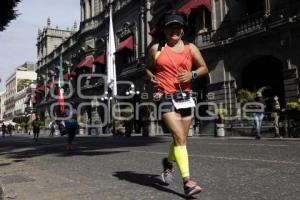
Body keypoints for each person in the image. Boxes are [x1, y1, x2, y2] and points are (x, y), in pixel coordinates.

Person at [146, 11, 208, 197]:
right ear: (164, 30)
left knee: (181, 139)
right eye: (170, 26)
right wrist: (152, 79)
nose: (174, 29)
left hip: (186, 97)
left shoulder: (191, 48)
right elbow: (148, 69)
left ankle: (168, 163)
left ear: (182, 30)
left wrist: (193, 74)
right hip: (164, 96)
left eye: (178, 26)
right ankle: (187, 182)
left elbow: (203, 68)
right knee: (179, 137)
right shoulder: (156, 49)